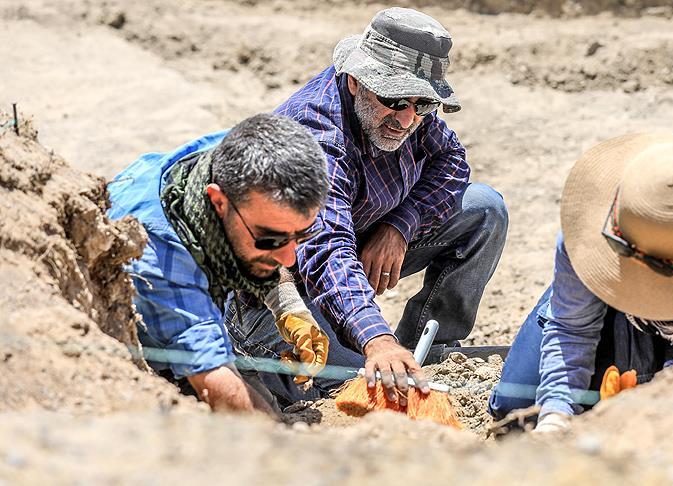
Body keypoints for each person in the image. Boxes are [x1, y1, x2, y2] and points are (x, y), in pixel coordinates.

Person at [230, 7, 508, 407]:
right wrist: (376, 340)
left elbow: (451, 163)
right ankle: (262, 357)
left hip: (355, 244)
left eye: (423, 104)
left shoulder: (408, 111)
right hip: (278, 286)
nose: (408, 119)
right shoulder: (316, 135)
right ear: (357, 82)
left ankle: (429, 349)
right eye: (395, 101)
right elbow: (326, 248)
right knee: (357, 386)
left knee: (484, 209)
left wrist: (399, 227)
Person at [487, 133, 673, 432]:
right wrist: (555, 412)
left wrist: (656, 396)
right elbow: (572, 327)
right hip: (615, 305)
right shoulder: (590, 217)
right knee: (517, 411)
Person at [108, 113, 332, 415]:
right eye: (271, 240)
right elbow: (214, 378)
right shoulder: (159, 259)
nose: (290, 259)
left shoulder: (241, 157)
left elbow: (264, 230)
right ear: (218, 201)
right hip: (144, 327)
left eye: (302, 234)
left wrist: (287, 304)